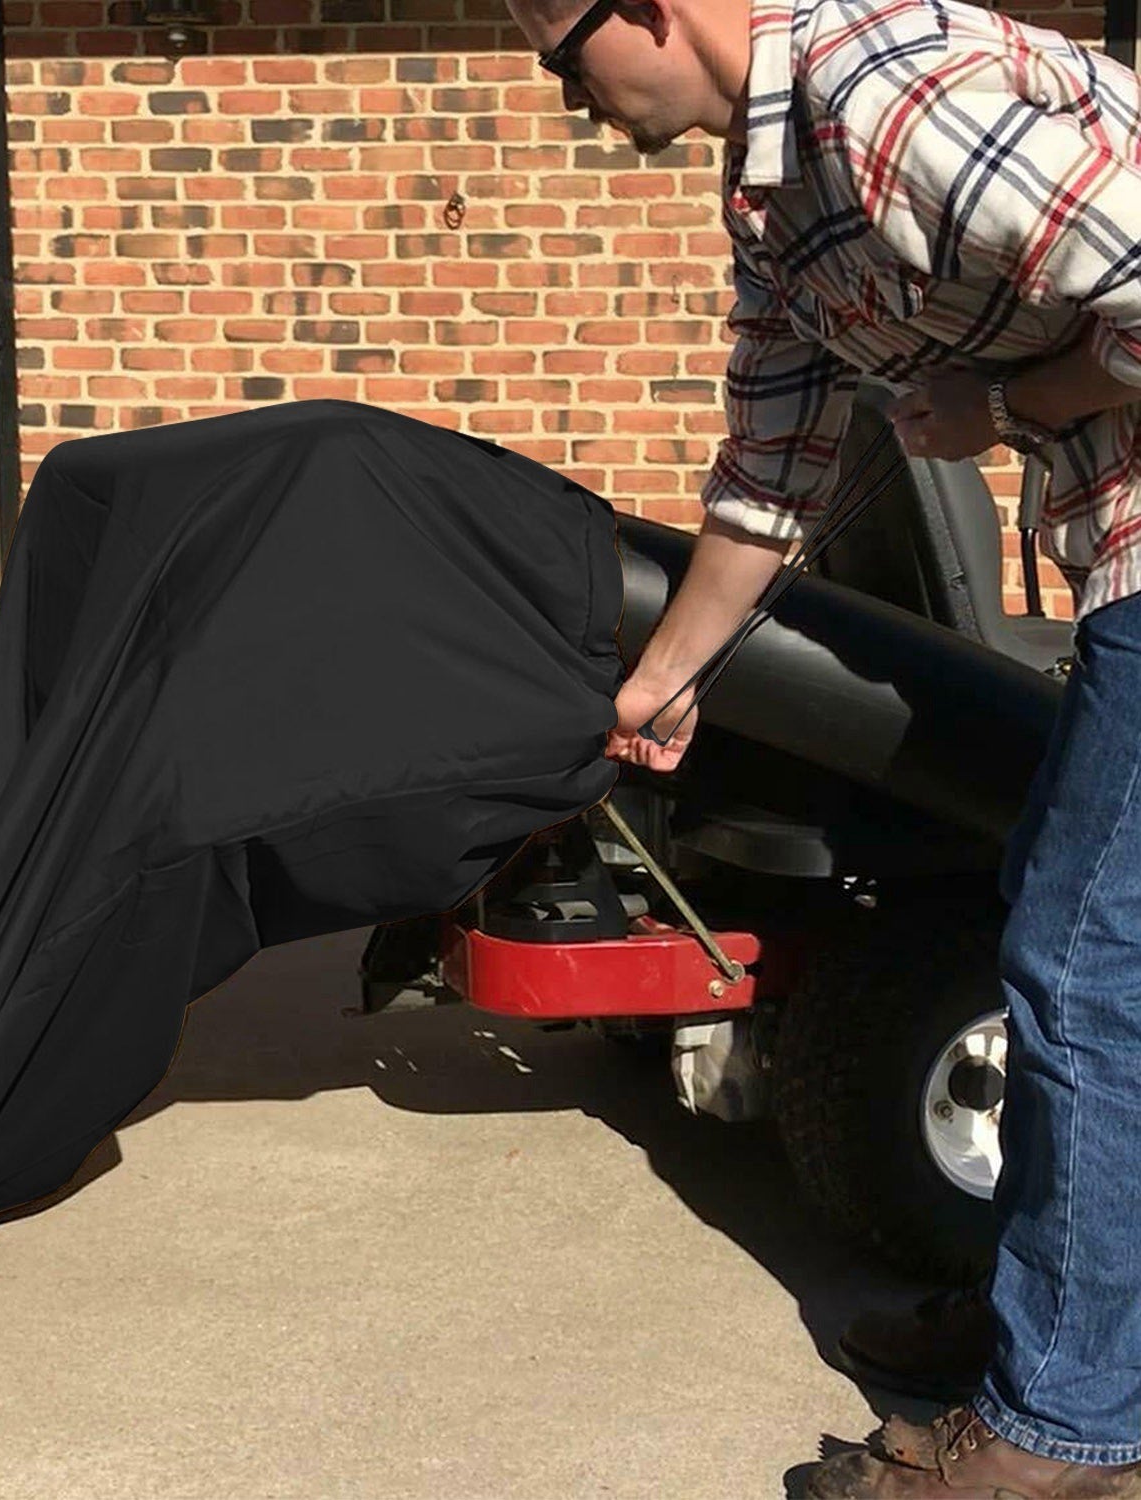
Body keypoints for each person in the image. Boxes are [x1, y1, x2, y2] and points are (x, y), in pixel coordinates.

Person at [504, 0, 1141, 1493]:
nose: (566, 101)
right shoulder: (779, 195)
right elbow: (765, 479)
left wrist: (1006, 402)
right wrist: (663, 681)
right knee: (1076, 951)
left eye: (560, 54)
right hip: (1118, 536)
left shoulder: (891, 102)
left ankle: (1074, 1430)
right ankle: (1061, 1324)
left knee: (1085, 970)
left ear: (650, 7)